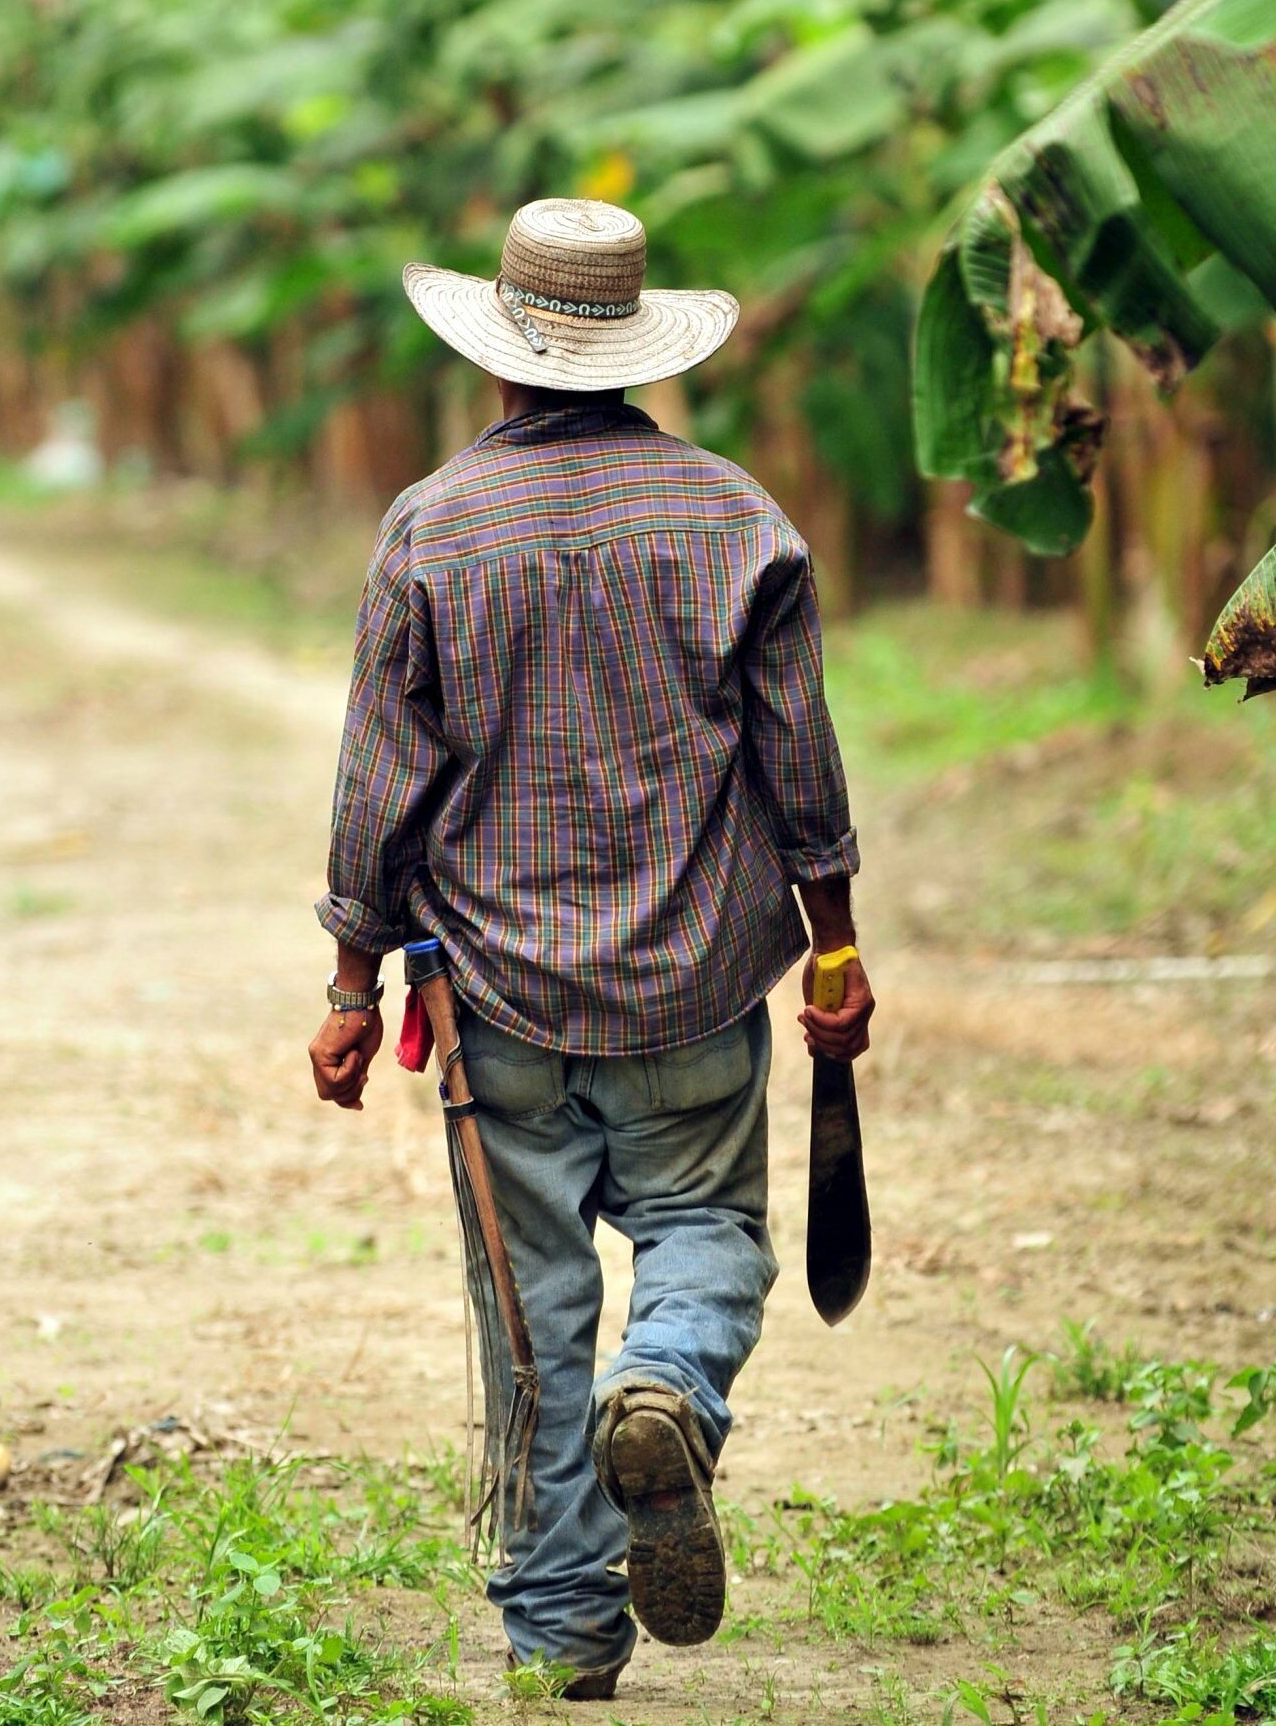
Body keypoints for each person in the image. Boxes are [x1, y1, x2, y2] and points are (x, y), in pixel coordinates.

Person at [307, 196, 874, 1700]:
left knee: (532, 1312)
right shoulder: (739, 520)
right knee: (706, 1235)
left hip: (493, 998)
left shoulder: (430, 526)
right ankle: (671, 1387)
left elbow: (382, 781)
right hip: (693, 986)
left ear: (497, 353)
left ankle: (562, 1629)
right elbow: (799, 769)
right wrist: (836, 952)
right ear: (636, 349)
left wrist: (350, 984)